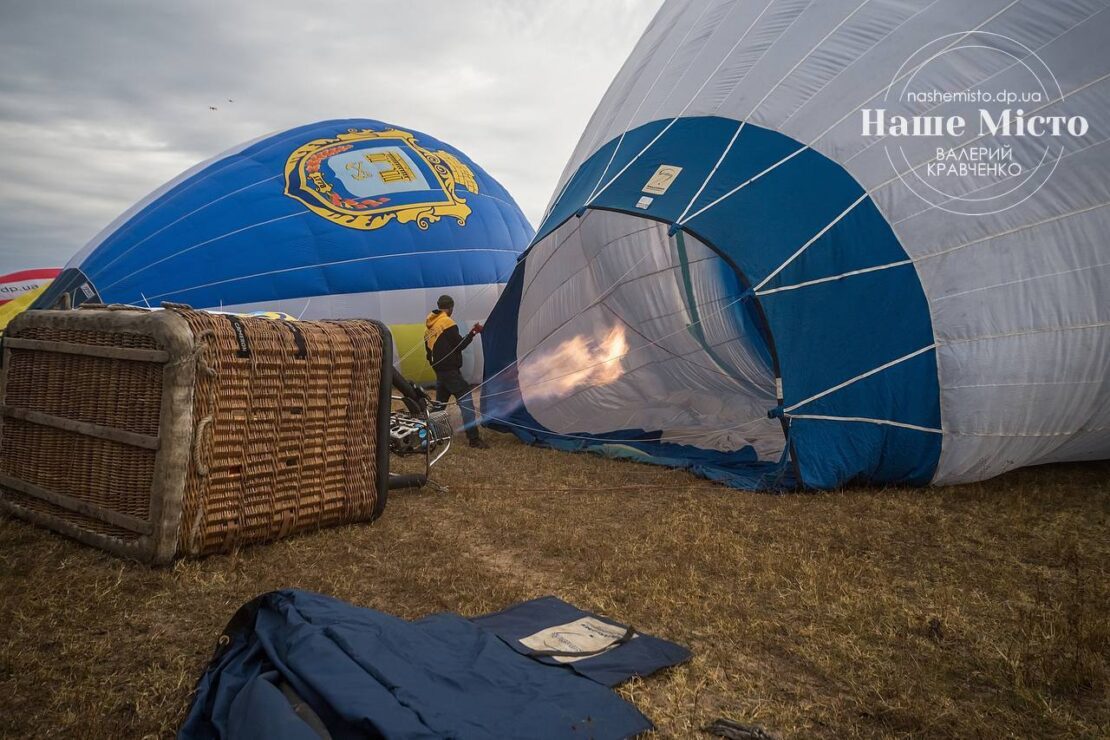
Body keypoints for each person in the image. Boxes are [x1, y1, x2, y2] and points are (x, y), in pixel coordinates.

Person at [424, 294, 488, 448]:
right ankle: (474, 439)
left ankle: (427, 433)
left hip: (441, 373)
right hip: (450, 372)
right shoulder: (447, 322)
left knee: (439, 405)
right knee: (466, 402)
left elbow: (428, 354)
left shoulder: (429, 328)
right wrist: (473, 332)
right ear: (451, 307)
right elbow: (459, 345)